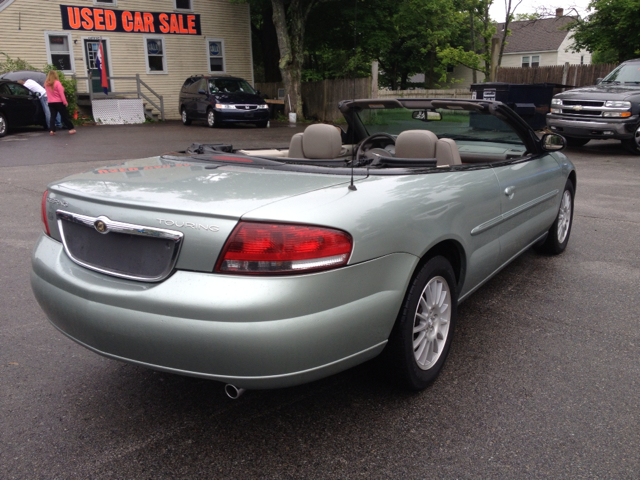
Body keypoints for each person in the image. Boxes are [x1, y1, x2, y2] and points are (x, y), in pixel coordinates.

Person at [44, 70, 76, 135]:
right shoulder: (57, 83)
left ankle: (52, 130)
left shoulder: (46, 84)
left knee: (53, 116)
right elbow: (61, 94)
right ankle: (70, 128)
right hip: (59, 102)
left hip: (50, 102)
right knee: (64, 116)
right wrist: (65, 102)